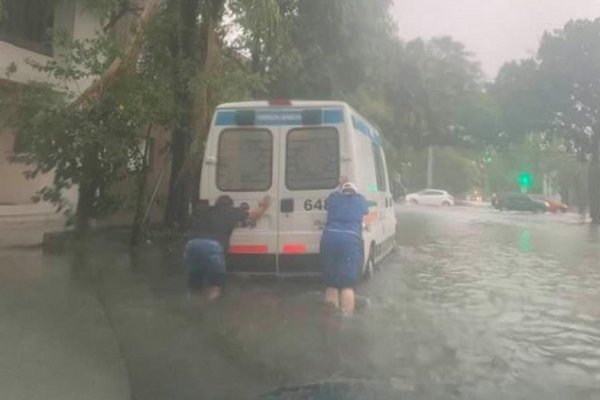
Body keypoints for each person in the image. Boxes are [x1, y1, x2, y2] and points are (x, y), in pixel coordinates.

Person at [184, 194, 271, 301]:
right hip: (213, 247)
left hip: (192, 245)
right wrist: (264, 205)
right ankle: (210, 309)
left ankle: (191, 306)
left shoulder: (205, 211)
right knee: (215, 286)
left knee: (194, 284)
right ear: (230, 205)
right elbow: (255, 215)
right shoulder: (232, 212)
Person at [320, 179, 369, 315]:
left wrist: (340, 183)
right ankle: (346, 321)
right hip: (350, 239)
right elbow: (365, 212)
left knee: (331, 284)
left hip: (329, 237)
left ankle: (330, 320)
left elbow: (327, 204)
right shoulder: (360, 199)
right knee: (347, 285)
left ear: (342, 190)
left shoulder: (333, 198)